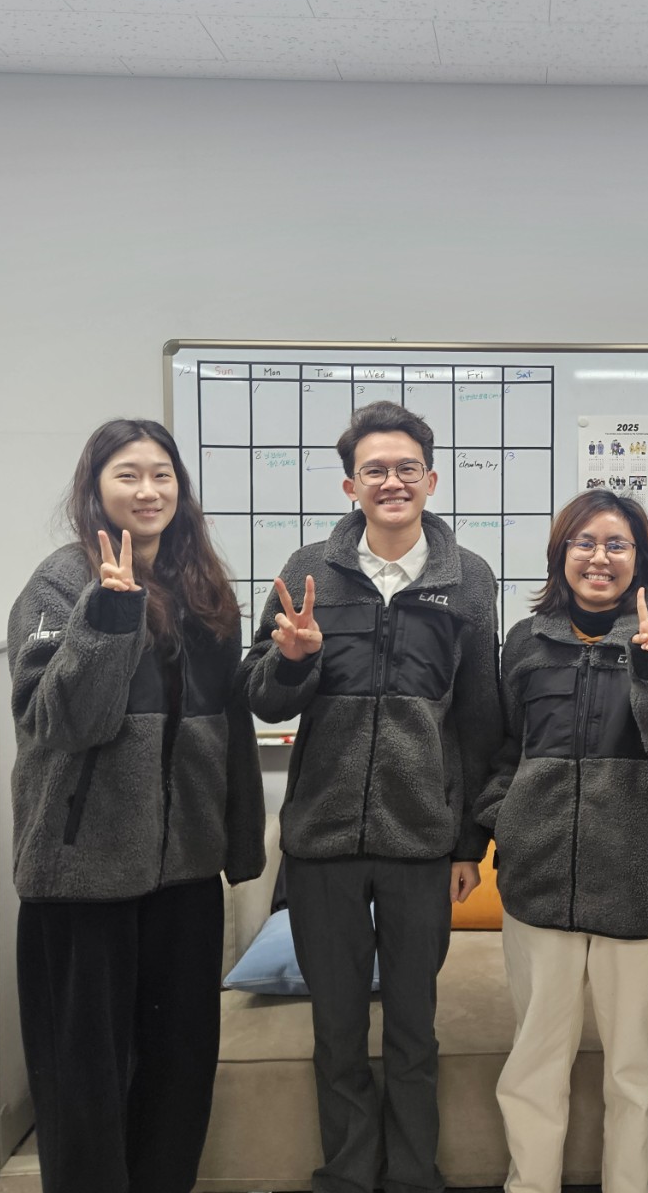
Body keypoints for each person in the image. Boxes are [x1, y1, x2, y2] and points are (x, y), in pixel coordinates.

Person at [242, 400, 502, 1193]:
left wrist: (470, 843)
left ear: (431, 479)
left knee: (415, 1029)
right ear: (351, 485)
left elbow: (480, 718)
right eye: (375, 470)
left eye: (407, 467)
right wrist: (293, 659)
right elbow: (262, 698)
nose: (393, 482)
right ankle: (350, 1177)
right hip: (322, 840)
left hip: (422, 841)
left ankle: (416, 1175)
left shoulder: (469, 580)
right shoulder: (308, 570)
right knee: (339, 1029)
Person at [7, 418, 265, 1193]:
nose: (148, 490)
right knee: (84, 1090)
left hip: (184, 875)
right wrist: (109, 615)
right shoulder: (59, 582)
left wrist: (237, 843)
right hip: (82, 876)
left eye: (162, 474)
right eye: (128, 474)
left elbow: (230, 727)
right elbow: (64, 722)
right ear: (95, 488)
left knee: (178, 1079)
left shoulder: (203, 588)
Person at [476, 489, 648, 1193]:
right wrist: (505, 821)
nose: (599, 558)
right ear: (561, 555)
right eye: (583, 543)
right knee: (533, 1064)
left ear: (640, 559)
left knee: (635, 1071)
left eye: (617, 544)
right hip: (538, 886)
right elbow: (505, 750)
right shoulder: (526, 641)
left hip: (643, 889)